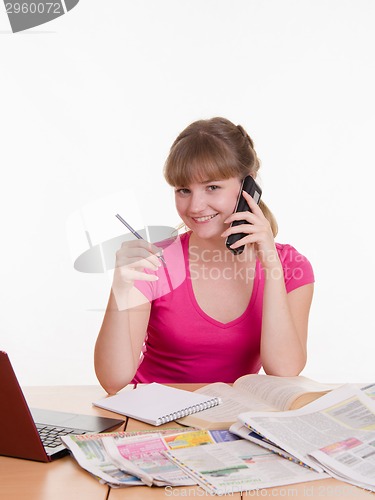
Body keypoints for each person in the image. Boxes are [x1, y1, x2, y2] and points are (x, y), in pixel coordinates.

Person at [95, 117, 314, 394]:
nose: (196, 207)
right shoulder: (155, 261)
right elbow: (113, 381)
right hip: (153, 419)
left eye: (212, 187)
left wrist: (270, 263)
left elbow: (284, 370)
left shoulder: (290, 266)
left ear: (248, 187)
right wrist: (119, 288)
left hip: (230, 421)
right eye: (184, 190)